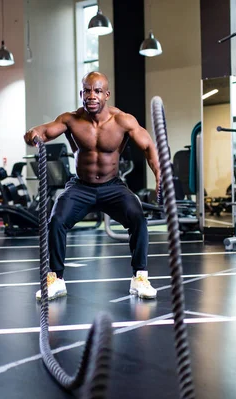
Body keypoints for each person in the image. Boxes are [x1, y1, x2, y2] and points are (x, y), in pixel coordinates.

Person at [24, 71, 161, 301]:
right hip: (81, 187)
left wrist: (159, 176)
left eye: (97, 91)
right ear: (81, 93)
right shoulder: (71, 120)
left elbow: (148, 148)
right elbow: (45, 132)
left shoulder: (122, 121)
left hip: (112, 186)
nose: (92, 95)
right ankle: (56, 280)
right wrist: (32, 135)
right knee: (56, 220)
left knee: (138, 217)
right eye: (87, 90)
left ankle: (139, 277)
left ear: (106, 94)